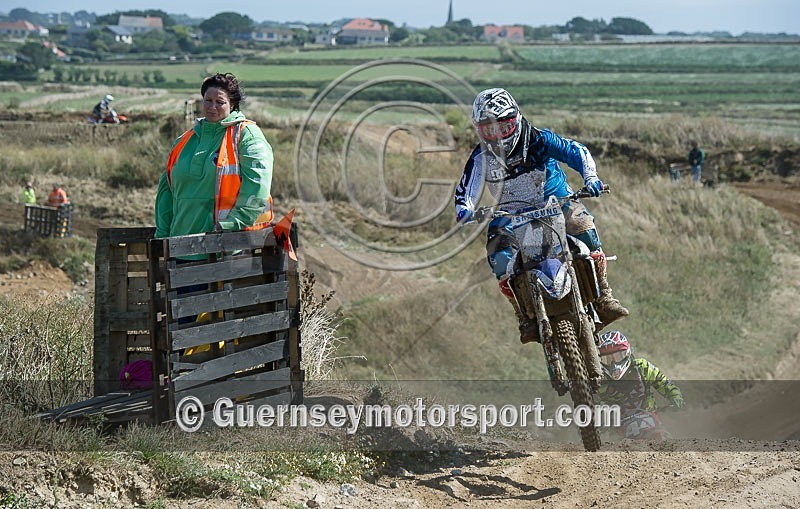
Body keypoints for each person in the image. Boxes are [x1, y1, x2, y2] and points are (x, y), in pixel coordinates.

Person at [454, 88, 628, 344]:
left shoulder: (540, 139)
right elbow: (465, 189)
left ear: (516, 119)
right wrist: (465, 210)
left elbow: (576, 151)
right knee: (498, 256)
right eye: (490, 130)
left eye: (504, 127)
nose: (498, 136)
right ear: (480, 130)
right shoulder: (481, 157)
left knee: (583, 225)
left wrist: (591, 178)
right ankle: (523, 315)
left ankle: (604, 295)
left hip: (556, 201)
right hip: (510, 213)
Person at [155, 72, 274, 246]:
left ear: (232, 104)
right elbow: (166, 191)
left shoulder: (247, 135)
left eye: (220, 102)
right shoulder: (184, 140)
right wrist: (162, 235)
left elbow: (257, 186)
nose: (212, 107)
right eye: (208, 100)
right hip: (179, 245)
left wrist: (232, 225)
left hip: (229, 248)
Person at [597, 330, 684, 437]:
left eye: (618, 356)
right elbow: (587, 405)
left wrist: (675, 397)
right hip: (618, 429)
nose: (614, 364)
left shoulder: (642, 367)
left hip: (649, 417)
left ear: (627, 353)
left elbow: (665, 384)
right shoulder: (599, 381)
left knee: (661, 436)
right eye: (607, 359)